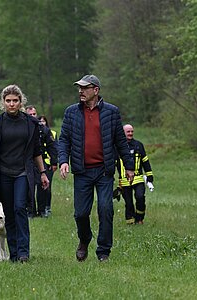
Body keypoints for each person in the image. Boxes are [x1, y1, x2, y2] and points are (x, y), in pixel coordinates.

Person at [59, 74, 134, 263]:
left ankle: (103, 251)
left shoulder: (111, 112)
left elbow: (121, 142)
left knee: (105, 209)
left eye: (85, 88)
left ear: (96, 90)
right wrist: (63, 161)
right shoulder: (71, 112)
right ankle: (84, 240)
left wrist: (129, 167)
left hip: (104, 171)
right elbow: (64, 140)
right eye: (79, 88)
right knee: (81, 213)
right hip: (82, 171)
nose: (80, 91)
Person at [0, 84, 49, 263]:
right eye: (8, 101)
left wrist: (42, 172)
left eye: (15, 100)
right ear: (3, 102)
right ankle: (14, 253)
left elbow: (36, 150)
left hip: (23, 172)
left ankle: (24, 251)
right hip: (2, 173)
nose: (11, 104)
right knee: (9, 212)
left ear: (21, 102)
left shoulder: (31, 123)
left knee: (20, 208)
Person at [116, 124, 154, 225]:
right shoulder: (117, 147)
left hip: (138, 178)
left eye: (132, 131)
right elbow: (112, 163)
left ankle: (139, 218)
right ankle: (130, 221)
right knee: (128, 203)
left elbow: (145, 161)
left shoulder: (138, 145)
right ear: (123, 133)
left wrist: (149, 175)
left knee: (140, 197)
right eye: (128, 132)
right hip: (124, 180)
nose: (130, 133)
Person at [25, 105, 57, 218]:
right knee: (28, 186)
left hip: (41, 161)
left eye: (34, 114)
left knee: (43, 186)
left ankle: (42, 210)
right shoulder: (23, 128)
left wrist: (54, 162)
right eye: (30, 115)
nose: (33, 117)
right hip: (27, 161)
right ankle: (30, 211)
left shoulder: (43, 129)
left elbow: (52, 146)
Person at [38, 115, 58, 217]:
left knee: (46, 186)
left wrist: (54, 162)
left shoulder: (52, 133)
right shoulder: (35, 131)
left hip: (48, 164)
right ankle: (35, 210)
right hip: (37, 162)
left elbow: (54, 148)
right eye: (39, 121)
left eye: (43, 121)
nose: (42, 123)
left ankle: (47, 207)